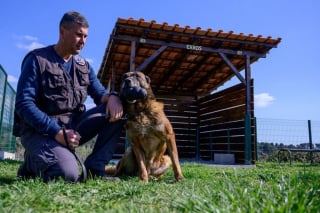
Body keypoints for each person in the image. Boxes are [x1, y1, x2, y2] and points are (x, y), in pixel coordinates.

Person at [14, 11, 124, 182]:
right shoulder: (37, 60)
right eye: (79, 35)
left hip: (73, 128)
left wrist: (113, 97)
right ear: (63, 31)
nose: (83, 41)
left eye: (86, 36)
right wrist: (55, 131)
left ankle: (95, 170)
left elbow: (100, 94)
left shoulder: (84, 66)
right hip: (41, 131)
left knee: (115, 111)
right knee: (68, 174)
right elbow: (23, 104)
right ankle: (30, 163)